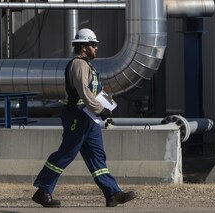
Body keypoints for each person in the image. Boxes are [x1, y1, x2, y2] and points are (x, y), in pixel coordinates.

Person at [32, 28, 137, 208]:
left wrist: (108, 104)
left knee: (97, 157)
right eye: (93, 45)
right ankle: (43, 190)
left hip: (89, 117)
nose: (96, 48)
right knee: (67, 152)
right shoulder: (78, 65)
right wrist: (100, 109)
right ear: (84, 46)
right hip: (78, 115)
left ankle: (113, 194)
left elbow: (94, 91)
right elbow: (84, 91)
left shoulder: (88, 66)